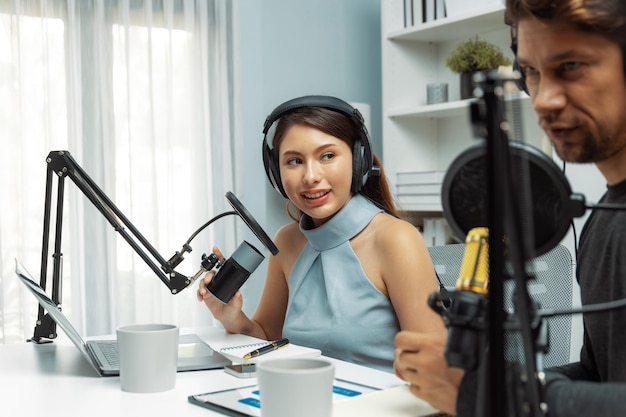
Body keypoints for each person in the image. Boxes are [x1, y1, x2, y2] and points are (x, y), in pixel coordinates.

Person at [394, 0, 626, 415]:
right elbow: (601, 374)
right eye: (531, 73)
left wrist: (494, 394)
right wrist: (485, 380)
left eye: (570, 66)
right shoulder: (606, 215)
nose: (543, 100)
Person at [197, 95, 447, 372]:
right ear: (276, 172)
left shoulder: (395, 239)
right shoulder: (287, 241)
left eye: (327, 156)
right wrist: (230, 316)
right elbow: (268, 338)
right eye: (294, 161)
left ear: (358, 160)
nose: (310, 176)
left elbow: (432, 367)